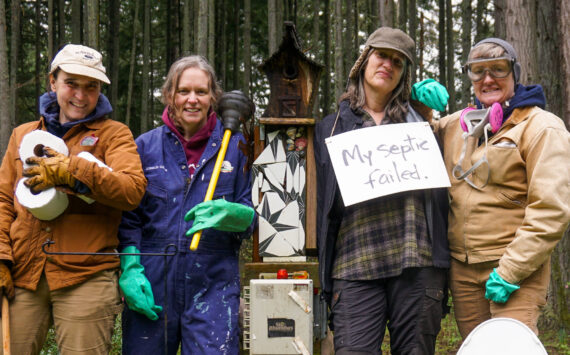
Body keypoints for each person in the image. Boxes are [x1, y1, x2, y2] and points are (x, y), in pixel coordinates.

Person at [0, 44, 146, 354]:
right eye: (71, 84)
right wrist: (0, 257)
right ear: (52, 82)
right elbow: (2, 200)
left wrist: (72, 172)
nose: (80, 95)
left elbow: (132, 190)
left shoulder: (114, 135)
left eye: (91, 86)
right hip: (24, 272)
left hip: (87, 274)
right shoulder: (23, 136)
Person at [314, 27, 451, 354]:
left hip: (416, 260)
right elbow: (321, 207)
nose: (388, 64)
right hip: (354, 263)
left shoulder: (422, 126)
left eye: (398, 62)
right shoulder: (329, 128)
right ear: (364, 60)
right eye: (382, 55)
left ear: (404, 75)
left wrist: (432, 118)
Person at [428, 38, 570, 339]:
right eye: (478, 71)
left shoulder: (542, 127)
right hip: (463, 271)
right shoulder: (457, 126)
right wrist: (419, 105)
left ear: (515, 73)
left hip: (515, 272)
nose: (487, 79)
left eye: (498, 69)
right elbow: (413, 141)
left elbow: (551, 210)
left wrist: (510, 272)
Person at [118, 55, 255, 354]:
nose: (192, 100)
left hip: (214, 282)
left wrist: (235, 215)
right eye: (184, 91)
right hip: (153, 280)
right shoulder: (144, 147)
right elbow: (129, 219)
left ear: (213, 98)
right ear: (170, 95)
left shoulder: (237, 148)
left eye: (201, 92)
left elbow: (253, 217)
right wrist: (130, 268)